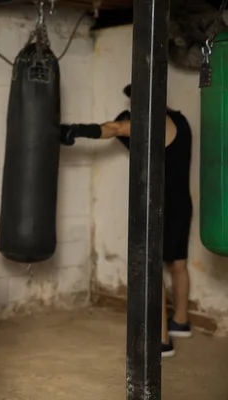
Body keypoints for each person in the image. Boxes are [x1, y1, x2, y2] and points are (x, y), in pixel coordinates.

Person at [60, 84, 193, 358]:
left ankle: (161, 340)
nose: (133, 109)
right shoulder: (181, 121)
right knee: (178, 264)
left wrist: (77, 130)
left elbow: (116, 129)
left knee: (151, 268)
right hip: (182, 203)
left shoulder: (150, 122)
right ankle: (181, 321)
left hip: (159, 206)